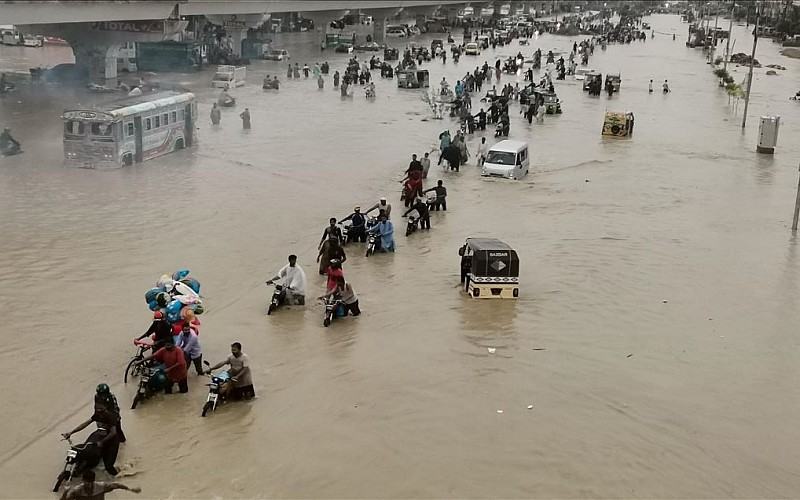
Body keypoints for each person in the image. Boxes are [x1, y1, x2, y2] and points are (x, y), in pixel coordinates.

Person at [61, 404, 121, 476]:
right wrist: (71, 432)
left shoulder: (109, 417)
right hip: (100, 436)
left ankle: (118, 476)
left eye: (100, 409)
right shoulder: (97, 415)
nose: (98, 411)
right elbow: (85, 424)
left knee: (108, 466)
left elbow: (113, 432)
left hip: (112, 440)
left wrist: (102, 442)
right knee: (83, 449)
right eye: (97, 409)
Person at [60, 469, 140, 500]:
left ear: (94, 481)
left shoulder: (101, 486)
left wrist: (130, 489)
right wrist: (65, 493)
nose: (89, 485)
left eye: (91, 482)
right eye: (87, 482)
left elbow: (117, 485)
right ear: (83, 480)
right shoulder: (77, 491)